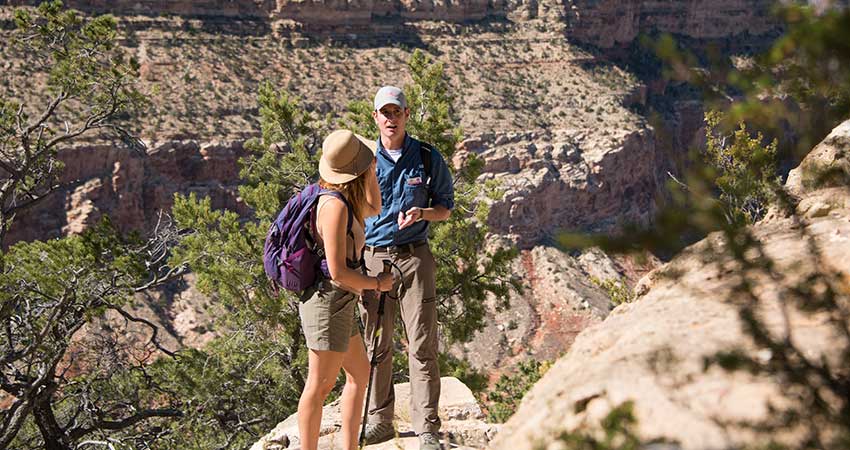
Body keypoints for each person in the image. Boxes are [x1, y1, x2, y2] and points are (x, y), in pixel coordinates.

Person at [360, 86, 454, 450]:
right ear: (375, 118)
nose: (390, 118)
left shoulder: (427, 156)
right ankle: (380, 422)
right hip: (374, 259)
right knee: (377, 345)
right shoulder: (364, 159)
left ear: (406, 114)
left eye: (396, 111)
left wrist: (423, 213)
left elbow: (445, 207)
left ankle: (427, 426)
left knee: (422, 343)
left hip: (415, 257)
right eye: (384, 112)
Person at [297, 129, 395, 450]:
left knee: (359, 373)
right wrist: (377, 284)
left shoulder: (344, 199)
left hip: (340, 301)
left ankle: (349, 445)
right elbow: (339, 272)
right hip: (327, 303)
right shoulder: (335, 208)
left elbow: (374, 207)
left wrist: (370, 172)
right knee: (319, 386)